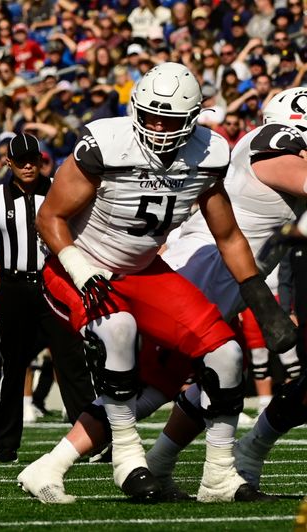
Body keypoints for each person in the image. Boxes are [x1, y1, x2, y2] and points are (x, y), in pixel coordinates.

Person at [17, 87, 307, 503]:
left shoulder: (207, 151)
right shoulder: (274, 144)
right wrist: (81, 270)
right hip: (195, 272)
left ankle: (188, 470)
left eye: (170, 119)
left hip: (215, 274)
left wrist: (259, 297)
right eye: (152, 117)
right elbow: (50, 217)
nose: (160, 130)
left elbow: (230, 234)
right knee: (152, 382)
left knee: (215, 366)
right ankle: (66, 462)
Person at [0, 133, 95, 464]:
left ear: (41, 160)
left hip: (55, 283)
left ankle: (91, 440)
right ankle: (5, 447)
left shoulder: (60, 190)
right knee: (12, 367)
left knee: (71, 362)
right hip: (13, 287)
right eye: (20, 160)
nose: (28, 166)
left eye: (33, 159)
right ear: (8, 163)